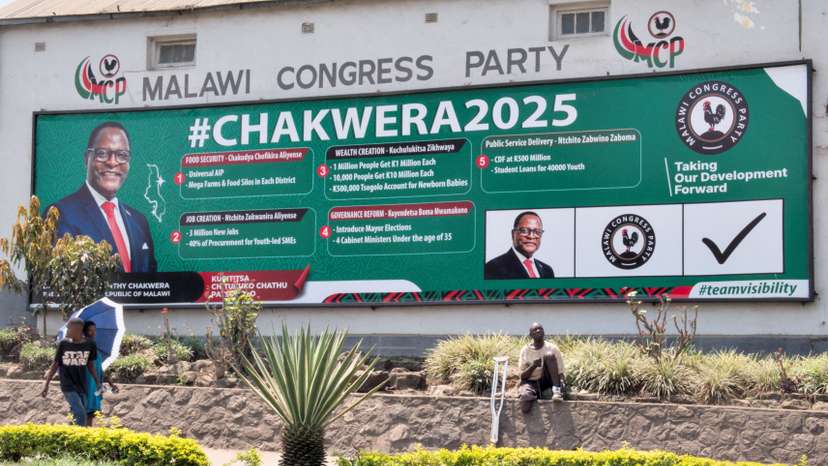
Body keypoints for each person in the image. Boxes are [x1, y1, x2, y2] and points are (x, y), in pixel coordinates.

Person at [51, 121, 157, 273]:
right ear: (87, 158)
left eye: (122, 155)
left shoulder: (139, 221)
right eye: (102, 154)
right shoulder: (61, 214)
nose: (112, 162)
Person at [41, 318, 101, 426]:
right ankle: (81, 435)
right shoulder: (63, 344)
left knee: (78, 413)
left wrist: (97, 382)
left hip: (82, 385)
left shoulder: (90, 344)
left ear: (78, 329)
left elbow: (90, 365)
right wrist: (46, 385)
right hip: (67, 384)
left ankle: (70, 433)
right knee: (80, 413)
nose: (67, 330)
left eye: (69, 328)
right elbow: (55, 364)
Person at [484, 211, 554, 280]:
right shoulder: (494, 268)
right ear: (513, 234)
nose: (531, 236)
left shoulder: (547, 270)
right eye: (524, 231)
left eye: (537, 232)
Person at [517, 322, 565, 413]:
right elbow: (522, 376)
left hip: (547, 380)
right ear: (530, 335)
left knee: (549, 355)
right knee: (525, 408)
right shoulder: (525, 351)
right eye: (535, 330)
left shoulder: (552, 348)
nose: (538, 330)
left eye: (540, 329)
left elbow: (560, 371)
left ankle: (556, 391)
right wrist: (533, 366)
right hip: (531, 382)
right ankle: (534, 394)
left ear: (544, 332)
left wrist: (562, 381)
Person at [82, 321, 118, 426]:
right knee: (87, 412)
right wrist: (98, 382)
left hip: (95, 384)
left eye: (94, 330)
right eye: (90, 331)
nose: (93, 333)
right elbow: (90, 366)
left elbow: (99, 368)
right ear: (84, 332)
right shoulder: (83, 346)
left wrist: (110, 383)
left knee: (92, 413)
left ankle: (85, 432)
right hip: (88, 383)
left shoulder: (95, 348)